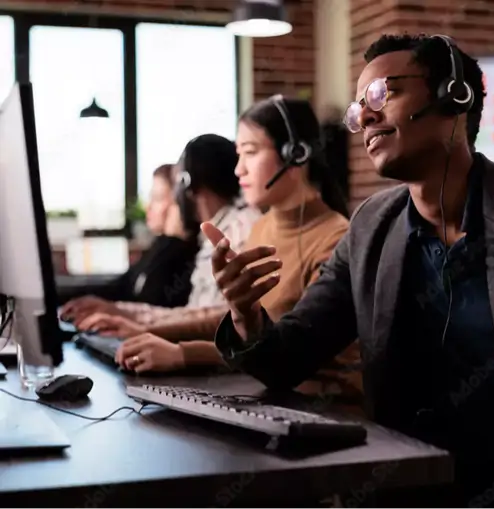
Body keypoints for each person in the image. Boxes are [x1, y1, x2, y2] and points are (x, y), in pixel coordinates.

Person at [204, 34, 494, 508]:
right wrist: (246, 313)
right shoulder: (372, 226)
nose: (363, 117)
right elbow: (289, 358)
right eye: (357, 108)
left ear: (455, 96)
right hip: (402, 490)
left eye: (380, 94)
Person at [83, 97, 363, 408]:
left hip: (324, 405)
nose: (238, 168)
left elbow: (287, 350)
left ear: (295, 154)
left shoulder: (335, 239)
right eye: (238, 154)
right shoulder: (264, 227)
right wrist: (149, 330)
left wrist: (182, 354)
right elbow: (237, 322)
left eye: (251, 153)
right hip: (270, 394)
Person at [70, 133, 261, 332]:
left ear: (188, 184)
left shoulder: (238, 229)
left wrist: (141, 328)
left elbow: (221, 321)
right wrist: (123, 313)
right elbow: (196, 314)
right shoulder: (215, 230)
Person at [60, 164, 199, 320]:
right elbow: (121, 286)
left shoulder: (187, 256)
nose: (148, 207)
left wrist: (173, 236)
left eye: (157, 199)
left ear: (179, 203)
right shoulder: (158, 247)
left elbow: (156, 303)